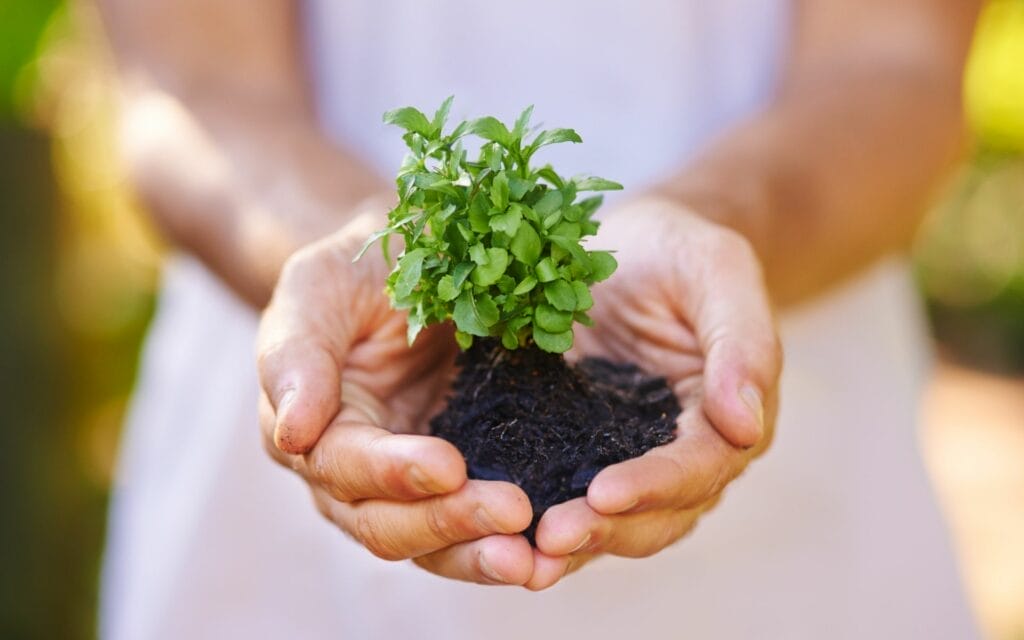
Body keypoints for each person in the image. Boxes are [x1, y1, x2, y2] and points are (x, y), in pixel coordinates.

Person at [96, 0, 981, 637]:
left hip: (786, 463)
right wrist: (357, 249)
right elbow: (188, 84)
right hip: (323, 434)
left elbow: (897, 65)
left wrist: (718, 219)